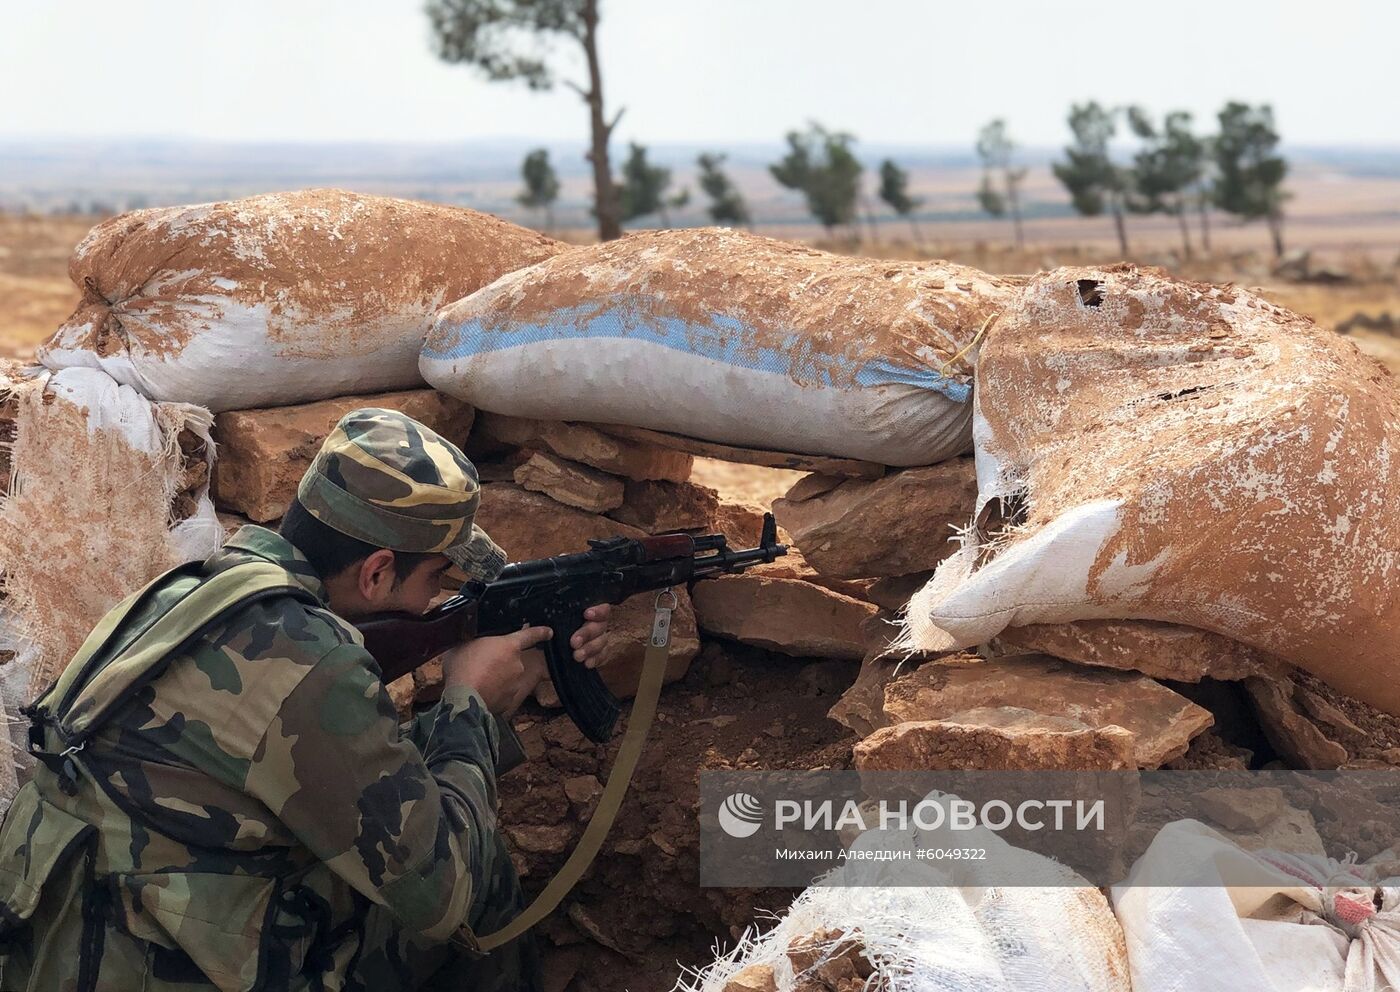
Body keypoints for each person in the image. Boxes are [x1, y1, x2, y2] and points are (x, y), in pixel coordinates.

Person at [0, 408, 609, 991]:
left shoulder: (204, 589)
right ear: (375, 572)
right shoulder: (309, 657)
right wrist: (469, 707)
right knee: (477, 873)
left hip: (67, 940)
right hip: (140, 959)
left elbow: (333, 777)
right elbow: (440, 893)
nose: (432, 604)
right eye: (435, 580)